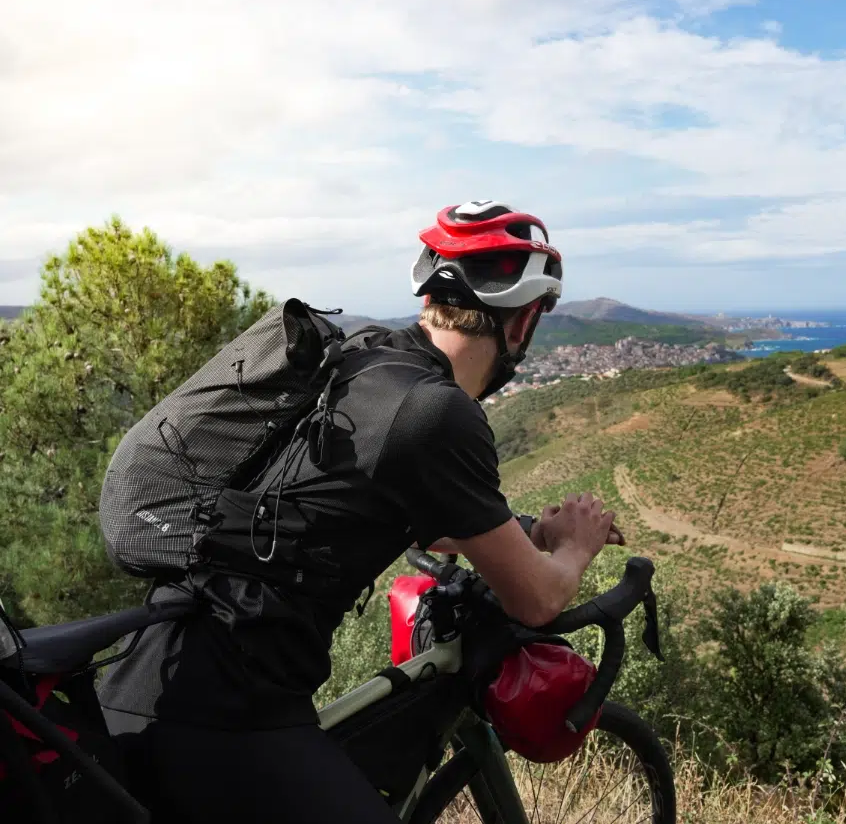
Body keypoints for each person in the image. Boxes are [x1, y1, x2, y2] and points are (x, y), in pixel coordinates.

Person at [98, 200, 622, 823]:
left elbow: (390, 508)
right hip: (229, 710)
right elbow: (535, 602)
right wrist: (577, 545)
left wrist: (528, 532)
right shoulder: (436, 412)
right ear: (522, 320)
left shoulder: (363, 357)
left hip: (148, 668)